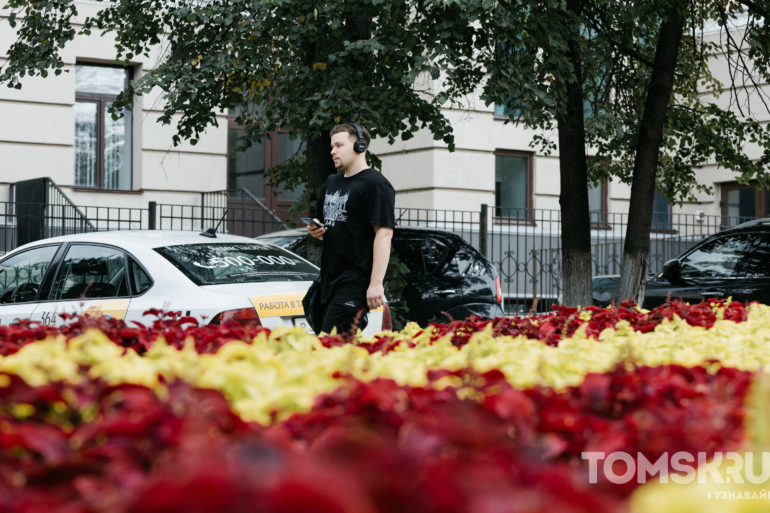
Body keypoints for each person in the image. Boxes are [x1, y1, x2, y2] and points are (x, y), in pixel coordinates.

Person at [307, 123, 395, 334]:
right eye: (332, 146)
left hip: (355, 281)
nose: (332, 151)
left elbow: (384, 234)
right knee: (341, 349)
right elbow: (324, 223)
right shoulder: (331, 182)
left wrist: (376, 283)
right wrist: (315, 231)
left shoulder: (376, 185)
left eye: (339, 145)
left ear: (360, 146)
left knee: (329, 345)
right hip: (329, 279)